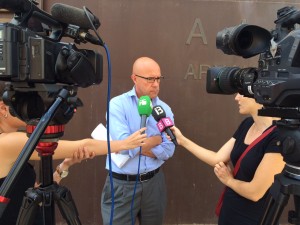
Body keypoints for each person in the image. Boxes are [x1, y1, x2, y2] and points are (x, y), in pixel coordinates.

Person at [0, 82, 147, 225]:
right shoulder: (7, 143)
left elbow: (34, 195)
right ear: (2, 108)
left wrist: (65, 165)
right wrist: (124, 144)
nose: (30, 109)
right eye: (20, 103)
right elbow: (85, 145)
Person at [169, 93, 285, 225]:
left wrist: (228, 180)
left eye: (242, 93)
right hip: (229, 211)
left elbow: (255, 192)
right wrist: (182, 141)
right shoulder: (247, 124)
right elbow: (217, 158)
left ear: (259, 94)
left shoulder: (279, 136)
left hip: (254, 218)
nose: (236, 97)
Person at [101, 57, 176, 225]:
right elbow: (124, 145)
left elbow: (169, 150)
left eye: (158, 78)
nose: (155, 84)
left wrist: (136, 145)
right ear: (134, 78)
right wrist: (156, 140)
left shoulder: (164, 109)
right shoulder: (117, 105)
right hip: (122, 185)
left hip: (154, 183)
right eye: (150, 79)